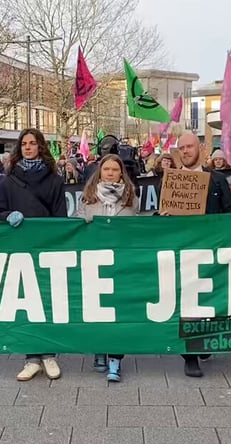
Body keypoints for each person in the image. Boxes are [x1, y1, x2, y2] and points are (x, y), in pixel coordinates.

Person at [0, 128, 67, 381]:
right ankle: (31, 358)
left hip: (46, 249)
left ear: (40, 147)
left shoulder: (55, 181)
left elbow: (61, 218)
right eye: (23, 144)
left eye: (32, 143)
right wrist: (7, 217)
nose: (27, 147)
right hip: (21, 251)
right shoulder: (8, 180)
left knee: (47, 300)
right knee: (26, 302)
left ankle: (49, 355)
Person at [173, 132, 231, 377]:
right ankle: (190, 355)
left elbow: (229, 210)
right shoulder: (169, 182)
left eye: (190, 146)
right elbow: (159, 217)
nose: (186, 151)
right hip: (182, 251)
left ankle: (205, 341)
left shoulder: (218, 180)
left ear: (200, 148)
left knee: (208, 299)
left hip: (211, 251)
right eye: (182, 147)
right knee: (187, 301)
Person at [76, 154, 137, 382]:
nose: (110, 173)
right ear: (100, 172)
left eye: (115, 169)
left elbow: (136, 227)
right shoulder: (88, 198)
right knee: (96, 309)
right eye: (106, 169)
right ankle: (99, 349)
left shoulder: (131, 198)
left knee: (118, 311)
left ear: (121, 173)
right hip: (95, 262)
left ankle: (116, 359)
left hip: (121, 262)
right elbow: (77, 225)